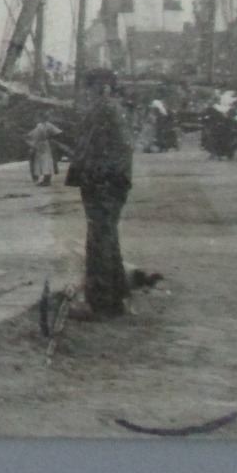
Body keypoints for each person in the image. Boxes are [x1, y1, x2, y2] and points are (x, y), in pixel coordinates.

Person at [68, 67, 134, 316]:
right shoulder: (114, 109)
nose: (85, 93)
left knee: (99, 240)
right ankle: (116, 295)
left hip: (102, 182)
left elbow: (87, 148)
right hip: (112, 181)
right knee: (106, 236)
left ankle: (101, 303)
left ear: (102, 88)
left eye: (89, 88)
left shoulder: (102, 109)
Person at [27, 115, 60, 186]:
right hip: (38, 145)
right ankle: (42, 178)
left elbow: (57, 133)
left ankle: (46, 179)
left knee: (46, 161)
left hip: (43, 144)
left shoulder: (46, 125)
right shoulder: (39, 125)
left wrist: (50, 137)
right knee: (41, 162)